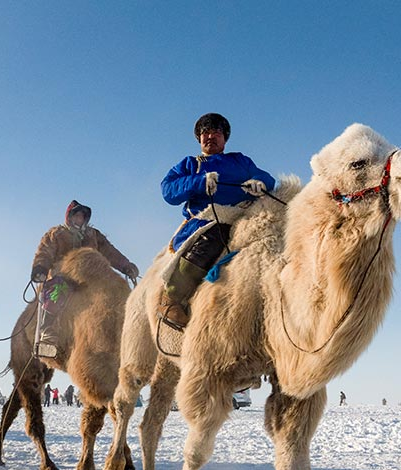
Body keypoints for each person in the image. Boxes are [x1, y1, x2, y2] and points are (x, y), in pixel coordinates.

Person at [159, 113, 276, 329]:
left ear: (224, 138)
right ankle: (171, 299)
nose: (210, 135)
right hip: (209, 221)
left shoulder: (240, 161)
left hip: (246, 217)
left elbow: (268, 178)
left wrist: (259, 183)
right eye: (205, 132)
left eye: (216, 131)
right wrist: (198, 182)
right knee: (213, 237)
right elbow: (168, 190)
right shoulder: (191, 164)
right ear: (199, 138)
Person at [30, 200, 139, 358]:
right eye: (76, 216)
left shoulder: (93, 235)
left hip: (91, 280)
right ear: (70, 217)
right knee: (57, 291)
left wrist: (125, 265)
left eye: (82, 216)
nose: (79, 219)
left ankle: (123, 333)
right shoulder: (56, 234)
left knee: (115, 293)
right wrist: (40, 267)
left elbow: (110, 252)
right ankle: (48, 333)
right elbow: (45, 252)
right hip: (64, 277)